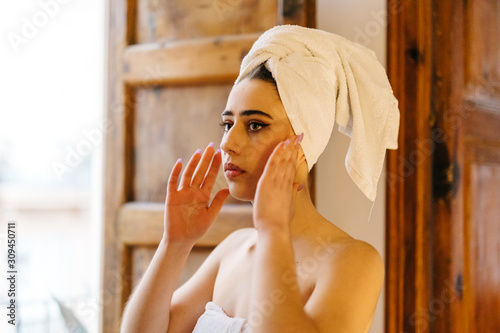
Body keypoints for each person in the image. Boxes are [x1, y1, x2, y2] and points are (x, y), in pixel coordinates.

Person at [121, 25, 399, 333]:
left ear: (303, 144)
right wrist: (174, 243)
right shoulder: (233, 249)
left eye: (255, 125)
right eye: (228, 123)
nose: (228, 143)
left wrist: (273, 231)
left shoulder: (353, 261)